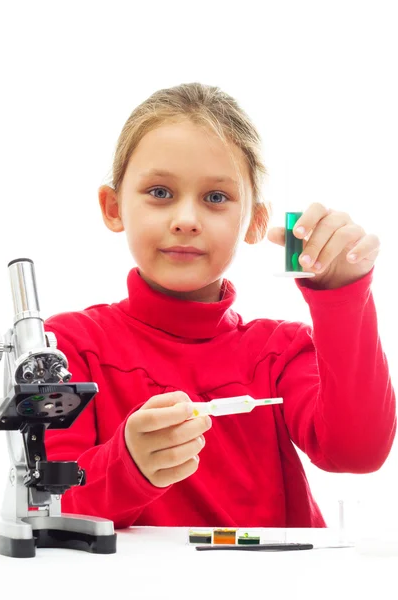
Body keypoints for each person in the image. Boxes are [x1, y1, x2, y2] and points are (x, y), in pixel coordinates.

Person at [44, 82, 396, 529]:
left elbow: (358, 452)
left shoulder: (281, 350)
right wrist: (127, 464)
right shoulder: (67, 345)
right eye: (159, 192)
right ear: (113, 207)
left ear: (256, 222)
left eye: (216, 198)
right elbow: (48, 508)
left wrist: (343, 298)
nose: (186, 220)